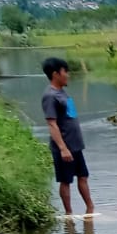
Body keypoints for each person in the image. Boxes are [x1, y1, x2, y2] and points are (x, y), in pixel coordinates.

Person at [41, 57, 92, 216]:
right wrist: (63, 148)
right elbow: (52, 124)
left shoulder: (62, 92)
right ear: (56, 74)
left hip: (75, 145)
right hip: (64, 147)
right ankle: (68, 213)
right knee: (66, 181)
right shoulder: (50, 96)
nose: (68, 75)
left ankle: (90, 208)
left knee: (83, 176)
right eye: (65, 71)